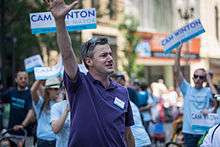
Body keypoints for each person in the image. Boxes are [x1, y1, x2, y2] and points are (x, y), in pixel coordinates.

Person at [43, 0, 135, 146]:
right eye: (103, 55)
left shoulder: (122, 92)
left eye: (110, 54)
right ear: (89, 62)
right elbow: (67, 54)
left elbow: (128, 133)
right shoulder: (79, 83)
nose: (110, 58)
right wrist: (60, 21)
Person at [174, 44, 216, 147]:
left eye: (201, 77)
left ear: (204, 79)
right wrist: (178, 52)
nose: (198, 79)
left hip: (205, 131)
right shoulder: (187, 89)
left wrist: (209, 80)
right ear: (193, 78)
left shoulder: (207, 91)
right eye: (196, 76)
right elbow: (176, 71)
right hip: (189, 132)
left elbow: (217, 99)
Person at [0, 71, 35, 146]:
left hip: (26, 134)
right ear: (16, 79)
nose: (23, 80)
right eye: (21, 78)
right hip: (11, 132)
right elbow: (2, 100)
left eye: (25, 78)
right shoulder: (11, 91)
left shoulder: (30, 93)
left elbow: (31, 112)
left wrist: (22, 125)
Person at [31, 78, 61, 147]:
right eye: (56, 89)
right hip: (42, 140)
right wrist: (41, 77)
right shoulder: (41, 102)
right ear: (48, 90)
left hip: (57, 140)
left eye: (59, 88)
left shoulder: (60, 104)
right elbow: (33, 90)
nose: (58, 91)